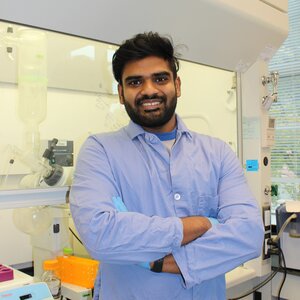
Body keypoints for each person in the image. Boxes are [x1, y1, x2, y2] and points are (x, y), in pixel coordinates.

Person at [70, 32, 264, 300]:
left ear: (178, 85)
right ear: (121, 93)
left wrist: (162, 262)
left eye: (160, 78)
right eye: (135, 82)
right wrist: (201, 224)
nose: (149, 90)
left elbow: (249, 235)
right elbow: (100, 235)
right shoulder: (100, 151)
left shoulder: (217, 153)